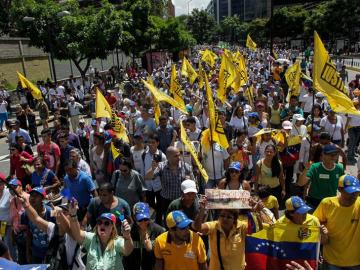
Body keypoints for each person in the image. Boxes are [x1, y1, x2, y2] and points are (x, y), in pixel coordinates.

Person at [192, 197, 263, 270]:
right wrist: (202, 210)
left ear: (234, 220)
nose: (225, 219)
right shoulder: (213, 226)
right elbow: (198, 227)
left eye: (229, 217)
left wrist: (256, 212)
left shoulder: (241, 227)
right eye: (222, 216)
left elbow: (258, 228)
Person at [69, 200, 134, 270]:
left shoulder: (117, 241)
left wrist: (127, 236)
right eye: (99, 222)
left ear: (112, 228)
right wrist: (73, 215)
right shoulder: (91, 238)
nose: (102, 225)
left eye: (106, 223)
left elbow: (128, 251)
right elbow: (77, 234)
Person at [314, 175, 360, 270]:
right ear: (340, 189)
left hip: (356, 262)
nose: (354, 195)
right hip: (332, 261)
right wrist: (322, 233)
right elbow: (314, 225)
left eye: (357, 192)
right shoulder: (327, 204)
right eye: (350, 192)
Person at [145, 146, 194, 223]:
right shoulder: (161, 166)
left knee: (182, 222)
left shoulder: (186, 167)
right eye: (175, 156)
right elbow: (147, 177)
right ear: (168, 157)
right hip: (166, 201)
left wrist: (189, 181)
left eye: (179, 155)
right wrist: (152, 169)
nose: (179, 158)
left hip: (181, 201)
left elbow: (193, 185)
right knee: (169, 222)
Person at [297, 144, 345, 209]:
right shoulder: (314, 167)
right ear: (323, 155)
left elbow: (343, 186)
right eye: (330, 154)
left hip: (330, 202)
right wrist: (306, 169)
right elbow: (300, 183)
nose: (333, 156)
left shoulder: (340, 168)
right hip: (314, 202)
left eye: (335, 154)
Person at [123, 202, 165, 270]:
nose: (143, 222)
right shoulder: (128, 231)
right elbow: (124, 254)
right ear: (134, 217)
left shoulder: (159, 231)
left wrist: (151, 250)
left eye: (146, 219)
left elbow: (162, 256)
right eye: (140, 220)